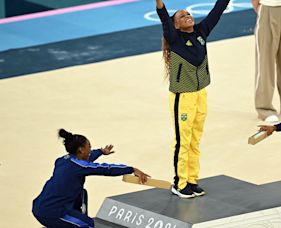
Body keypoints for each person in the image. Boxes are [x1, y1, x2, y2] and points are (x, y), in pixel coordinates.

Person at [156, 0, 230, 198]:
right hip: (183, 97)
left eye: (188, 13)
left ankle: (192, 180)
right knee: (183, 141)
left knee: (195, 139)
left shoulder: (201, 32)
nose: (188, 15)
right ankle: (179, 184)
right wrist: (160, 5)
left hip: (200, 94)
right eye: (182, 16)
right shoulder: (175, 38)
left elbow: (218, 10)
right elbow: (164, 18)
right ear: (176, 25)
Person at [32, 129, 149, 228]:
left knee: (82, 193)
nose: (91, 149)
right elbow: (105, 169)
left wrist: (101, 152)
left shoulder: (63, 160)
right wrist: (132, 169)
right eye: (89, 146)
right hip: (51, 212)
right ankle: (73, 220)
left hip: (40, 205)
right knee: (87, 224)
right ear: (81, 150)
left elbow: (86, 160)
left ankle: (74, 217)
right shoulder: (78, 166)